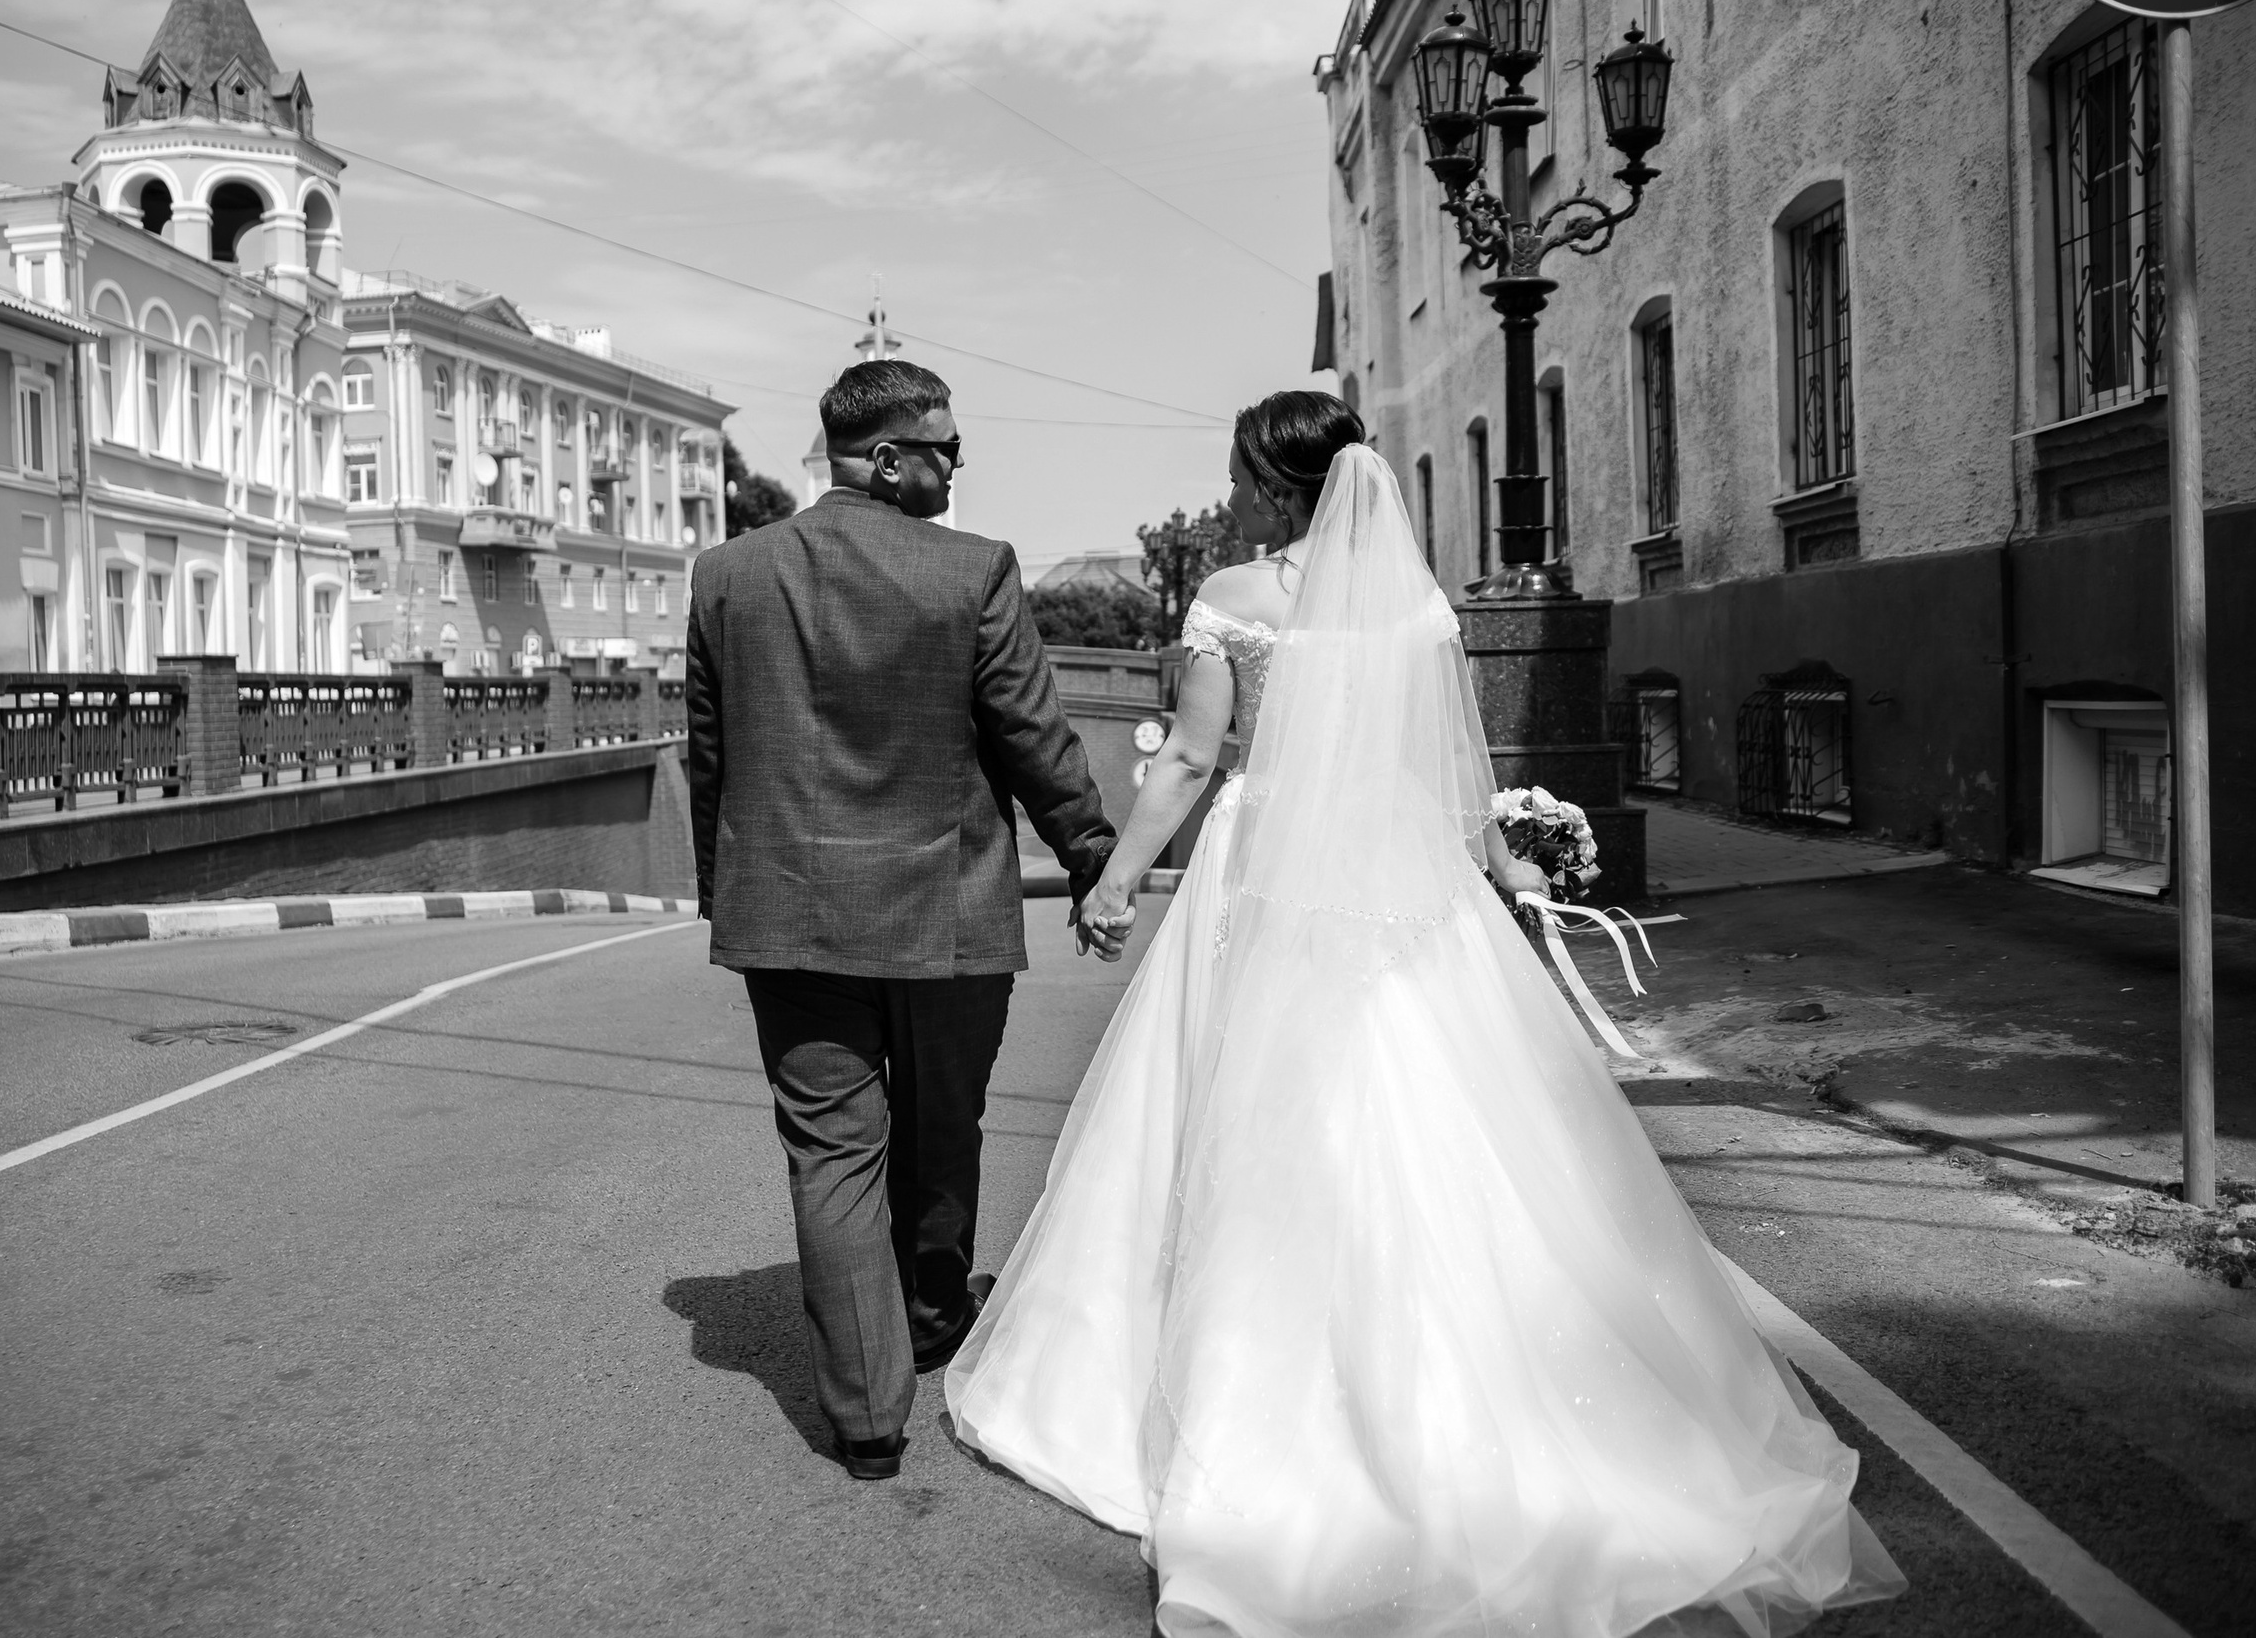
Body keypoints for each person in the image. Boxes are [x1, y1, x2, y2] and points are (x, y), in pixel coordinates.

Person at [947, 392, 1906, 1637]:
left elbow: (1188, 759)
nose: (1230, 488)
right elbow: (1442, 763)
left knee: (1251, 1110)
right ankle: (1486, 1387)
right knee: (1434, 1107)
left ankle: (1242, 1399)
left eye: (1239, 469)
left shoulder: (1236, 598)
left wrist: (1118, 877)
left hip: (1272, 866)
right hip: (1400, 875)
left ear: (1273, 481)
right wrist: (1495, 862)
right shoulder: (1411, 603)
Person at [684, 358, 1120, 1483]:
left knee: (832, 1155)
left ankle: (866, 1420)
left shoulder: (728, 574)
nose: (953, 468)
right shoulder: (972, 571)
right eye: (945, 449)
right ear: (887, 457)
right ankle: (931, 1317)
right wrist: (1091, 856)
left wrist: (721, 891)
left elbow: (712, 759)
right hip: (949, 913)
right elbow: (1030, 733)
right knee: (940, 1130)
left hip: (786, 914)